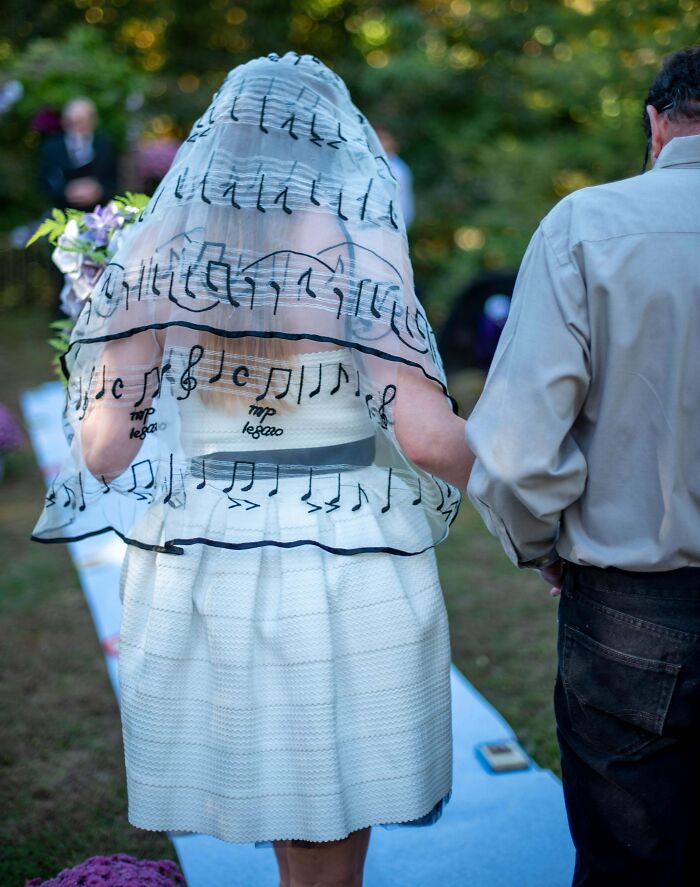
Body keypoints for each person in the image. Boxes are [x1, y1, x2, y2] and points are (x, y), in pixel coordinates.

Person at [31, 53, 472, 887]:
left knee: (293, 815)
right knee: (328, 835)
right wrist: (531, 487)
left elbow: (104, 450)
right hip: (339, 543)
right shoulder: (351, 240)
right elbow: (424, 436)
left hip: (204, 543)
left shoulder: (159, 250)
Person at [465, 46, 700, 885]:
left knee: (632, 861)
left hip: (638, 603)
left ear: (656, 123)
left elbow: (521, 450)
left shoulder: (588, 226)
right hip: (644, 603)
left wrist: (542, 544)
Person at [39, 97, 118, 210]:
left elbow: (113, 181)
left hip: (100, 211)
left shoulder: (105, 145)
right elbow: (45, 182)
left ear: (92, 121)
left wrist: (98, 190)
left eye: (80, 121)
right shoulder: (51, 148)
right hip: (63, 212)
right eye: (70, 122)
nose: (75, 127)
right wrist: (66, 191)